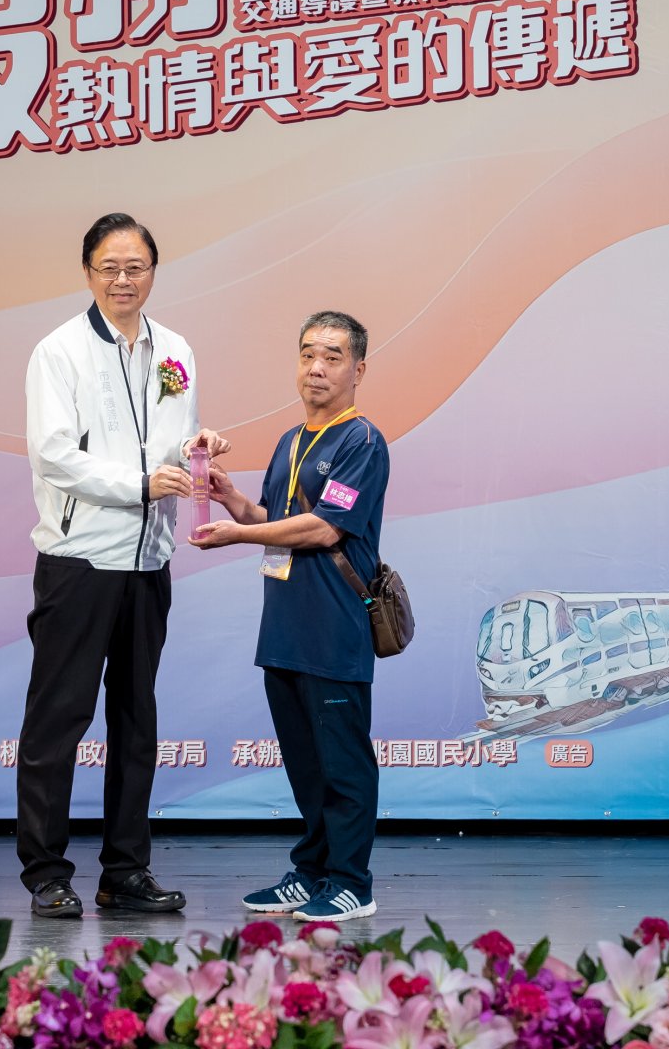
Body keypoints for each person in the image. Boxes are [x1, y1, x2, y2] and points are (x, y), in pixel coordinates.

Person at [17, 211, 229, 919]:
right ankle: (47, 872)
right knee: (59, 721)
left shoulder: (176, 350)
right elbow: (53, 454)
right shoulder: (59, 351)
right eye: (109, 268)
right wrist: (138, 484)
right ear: (88, 273)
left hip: (148, 559)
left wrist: (195, 449)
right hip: (80, 560)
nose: (122, 280)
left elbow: (168, 443)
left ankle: (125, 870)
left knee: (137, 722)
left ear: (153, 273)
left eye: (135, 267)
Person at [191, 310, 390, 923]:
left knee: (343, 762)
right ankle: (312, 871)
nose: (316, 368)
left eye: (332, 356)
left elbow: (325, 527)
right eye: (307, 355)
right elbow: (274, 521)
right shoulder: (290, 441)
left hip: (334, 626)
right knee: (305, 763)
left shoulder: (362, 441)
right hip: (284, 627)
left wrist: (237, 536)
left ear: (358, 369)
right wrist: (233, 501)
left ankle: (352, 882)